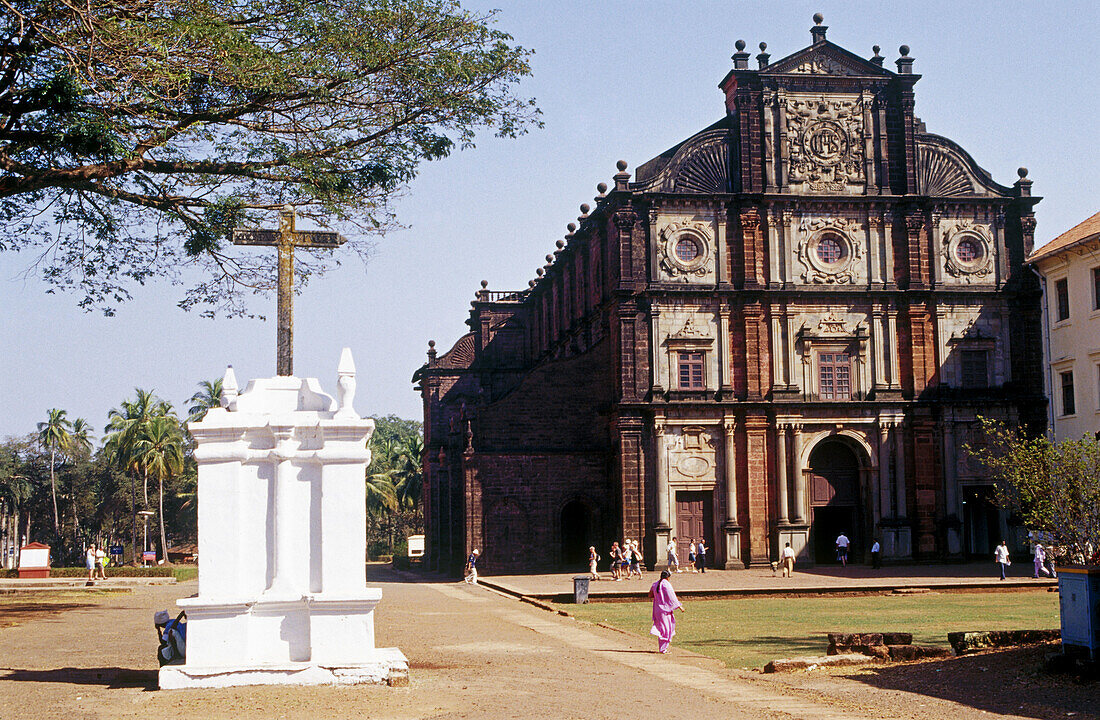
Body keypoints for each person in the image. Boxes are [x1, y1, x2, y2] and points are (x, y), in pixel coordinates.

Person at [649, 570, 685, 654]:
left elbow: (650, 595)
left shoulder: (655, 584)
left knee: (663, 628)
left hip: (657, 609)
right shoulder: (666, 584)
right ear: (668, 577)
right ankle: (663, 649)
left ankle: (663, 648)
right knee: (666, 629)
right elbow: (672, 596)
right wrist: (680, 607)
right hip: (665, 610)